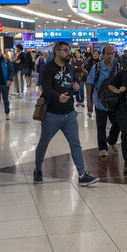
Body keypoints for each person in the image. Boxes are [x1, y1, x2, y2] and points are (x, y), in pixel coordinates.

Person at [33, 41, 99, 187]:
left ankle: (82, 175)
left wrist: (75, 87)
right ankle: (38, 170)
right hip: (52, 114)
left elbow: (71, 83)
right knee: (44, 143)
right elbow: (46, 89)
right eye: (65, 50)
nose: (68, 52)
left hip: (69, 114)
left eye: (68, 50)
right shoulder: (49, 69)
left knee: (76, 144)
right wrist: (58, 97)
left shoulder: (69, 67)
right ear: (57, 52)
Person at [86, 45, 121, 157]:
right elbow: (89, 84)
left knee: (117, 122)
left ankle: (112, 140)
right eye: (108, 53)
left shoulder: (118, 67)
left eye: (112, 53)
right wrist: (89, 102)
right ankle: (102, 148)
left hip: (114, 102)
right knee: (101, 125)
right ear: (103, 54)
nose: (110, 56)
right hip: (100, 101)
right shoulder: (96, 68)